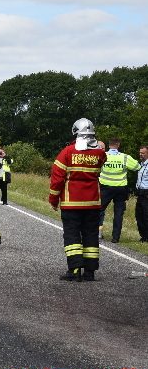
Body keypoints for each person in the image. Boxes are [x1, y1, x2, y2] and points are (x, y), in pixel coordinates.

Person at [49, 118, 106, 281]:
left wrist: (53, 200)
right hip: (93, 203)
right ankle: (90, 272)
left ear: (75, 133)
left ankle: (74, 270)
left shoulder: (67, 152)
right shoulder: (100, 153)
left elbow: (57, 180)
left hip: (71, 203)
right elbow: (100, 165)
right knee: (91, 236)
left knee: (72, 236)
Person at [97, 138, 140, 243]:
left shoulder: (102, 155)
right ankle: (115, 238)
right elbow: (137, 167)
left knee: (98, 210)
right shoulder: (125, 157)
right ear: (118, 145)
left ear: (109, 145)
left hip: (105, 188)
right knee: (118, 214)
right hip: (120, 189)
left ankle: (94, 232)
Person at [136, 145, 148, 243]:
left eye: (143, 153)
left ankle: (146, 237)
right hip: (140, 193)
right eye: (140, 153)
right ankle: (143, 236)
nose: (141, 154)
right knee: (139, 215)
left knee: (146, 216)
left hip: (146, 193)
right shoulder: (141, 164)